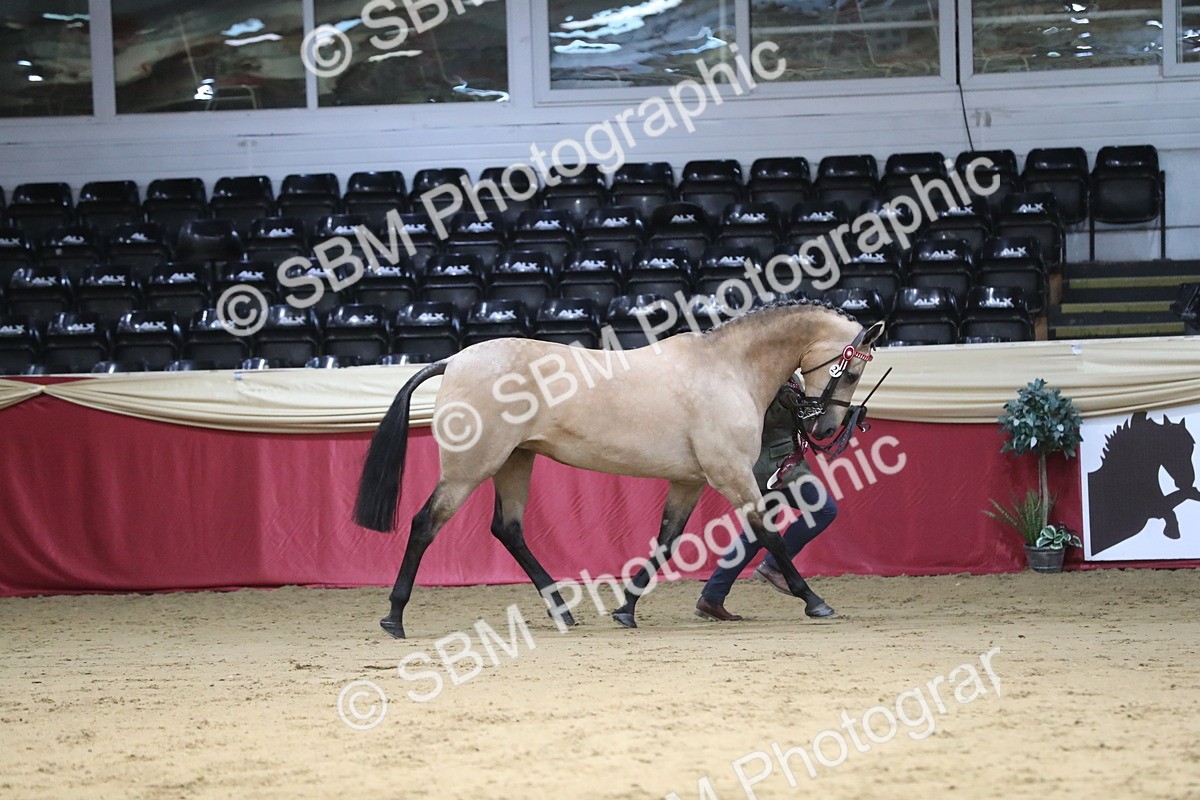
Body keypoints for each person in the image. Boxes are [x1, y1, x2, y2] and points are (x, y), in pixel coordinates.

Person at [695, 383, 838, 622]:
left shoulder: (791, 377)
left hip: (783, 462)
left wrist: (844, 417)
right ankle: (774, 566)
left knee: (754, 535)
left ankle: (712, 596)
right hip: (771, 466)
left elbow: (802, 424)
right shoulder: (757, 376)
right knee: (823, 509)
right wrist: (779, 407)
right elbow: (750, 423)